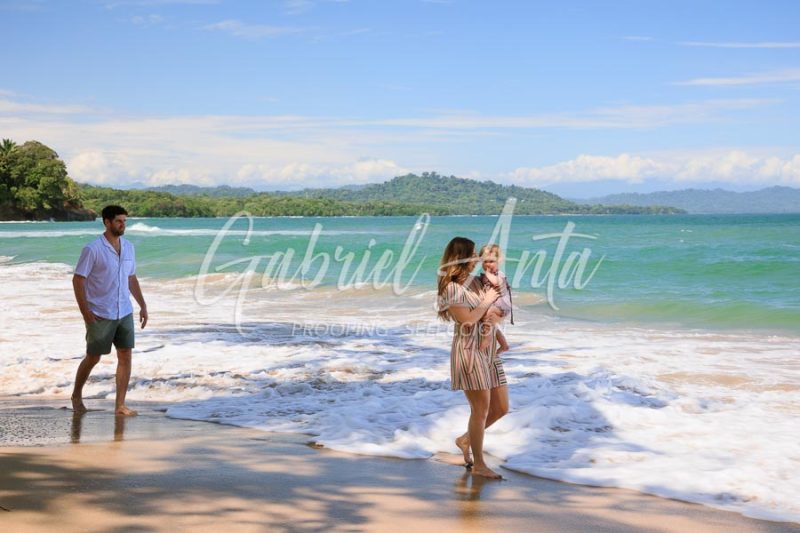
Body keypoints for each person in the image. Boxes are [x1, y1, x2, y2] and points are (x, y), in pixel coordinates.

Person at [437, 237, 509, 480]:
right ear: (462, 257)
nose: (478, 258)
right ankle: (479, 464)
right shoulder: (451, 289)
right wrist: (487, 300)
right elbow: (467, 320)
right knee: (480, 409)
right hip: (469, 350)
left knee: (501, 408)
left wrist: (500, 337)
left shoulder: (476, 282)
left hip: (488, 350)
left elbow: (489, 315)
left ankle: (465, 440)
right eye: (473, 254)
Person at [71, 205, 148, 416]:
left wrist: (142, 305)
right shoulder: (92, 249)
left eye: (125, 221)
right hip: (100, 312)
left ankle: (120, 405)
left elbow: (131, 278)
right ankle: (76, 395)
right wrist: (85, 312)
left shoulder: (129, 247)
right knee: (93, 357)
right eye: (118, 221)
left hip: (124, 311)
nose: (123, 225)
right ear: (106, 222)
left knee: (125, 355)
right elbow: (78, 280)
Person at [478, 244, 512, 354]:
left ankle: (487, 338)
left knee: (487, 314)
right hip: (494, 305)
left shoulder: (499, 275)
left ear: (498, 261)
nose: (488, 264)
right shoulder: (485, 276)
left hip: (502, 306)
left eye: (491, 261)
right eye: (485, 261)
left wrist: (487, 274)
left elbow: (497, 283)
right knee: (492, 324)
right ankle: (504, 345)